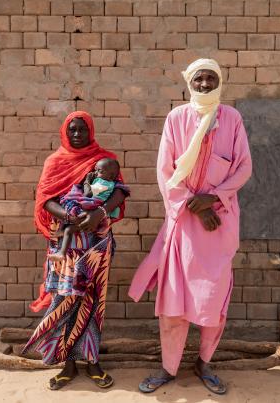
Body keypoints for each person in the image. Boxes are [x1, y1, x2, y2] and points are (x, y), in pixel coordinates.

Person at [128, 58, 252, 395]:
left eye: (211, 78)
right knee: (175, 302)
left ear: (220, 81)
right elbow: (165, 170)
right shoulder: (176, 119)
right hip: (183, 223)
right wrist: (192, 205)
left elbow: (242, 168)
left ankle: (204, 363)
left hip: (219, 223)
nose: (204, 84)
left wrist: (213, 199)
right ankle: (169, 368)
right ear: (189, 82)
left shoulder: (232, 119)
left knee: (213, 303)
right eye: (198, 79)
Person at [22, 111, 129, 391]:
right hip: (66, 246)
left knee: (94, 303)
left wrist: (100, 213)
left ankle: (92, 361)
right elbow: (45, 199)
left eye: (82, 129)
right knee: (65, 302)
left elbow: (120, 191)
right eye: (73, 130)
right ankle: (67, 364)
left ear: (90, 131)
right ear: (64, 132)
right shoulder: (55, 162)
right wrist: (70, 218)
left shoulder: (103, 159)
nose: (78, 134)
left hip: (96, 244)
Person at [49, 157, 122, 263]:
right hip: (92, 216)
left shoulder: (103, 184)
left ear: (111, 176)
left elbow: (87, 194)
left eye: (99, 171)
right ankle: (63, 234)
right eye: (95, 170)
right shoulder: (106, 182)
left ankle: (61, 252)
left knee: (70, 224)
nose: (95, 173)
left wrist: (87, 180)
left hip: (92, 215)